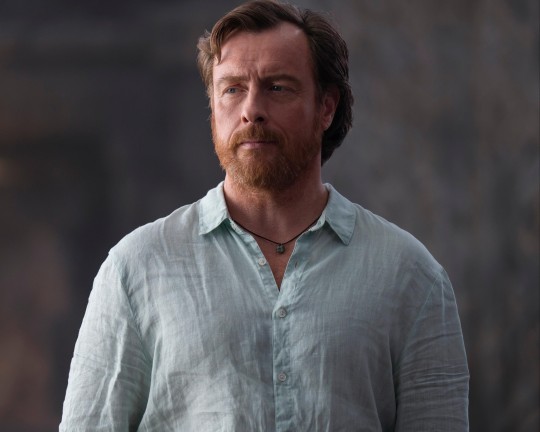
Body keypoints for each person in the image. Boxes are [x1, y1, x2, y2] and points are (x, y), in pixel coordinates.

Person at [60, 1, 469, 430]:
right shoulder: (136, 270)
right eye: (232, 89)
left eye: (277, 87)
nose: (251, 109)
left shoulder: (411, 277)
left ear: (326, 107)